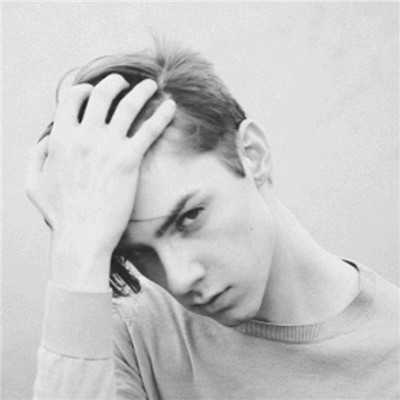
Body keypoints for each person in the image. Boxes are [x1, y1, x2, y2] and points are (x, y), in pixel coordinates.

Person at [27, 40, 399, 399]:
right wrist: (76, 251)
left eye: (189, 218)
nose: (180, 278)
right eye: (140, 253)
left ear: (252, 154)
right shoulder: (122, 338)